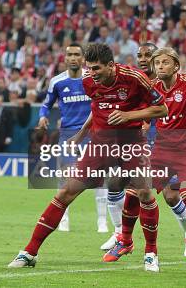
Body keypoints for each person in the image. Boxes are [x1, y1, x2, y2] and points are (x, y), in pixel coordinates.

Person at [8, 43, 168, 268]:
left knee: (143, 192)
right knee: (65, 192)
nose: (91, 74)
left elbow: (162, 109)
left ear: (111, 66)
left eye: (96, 69)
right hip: (100, 145)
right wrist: (80, 135)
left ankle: (151, 253)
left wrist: (127, 115)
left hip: (131, 142)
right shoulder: (89, 83)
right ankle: (29, 252)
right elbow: (97, 109)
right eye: (89, 69)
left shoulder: (134, 78)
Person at [104, 47, 186, 270]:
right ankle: (125, 240)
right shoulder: (152, 87)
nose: (159, 66)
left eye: (164, 63)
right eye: (157, 63)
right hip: (161, 150)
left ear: (175, 66)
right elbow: (140, 111)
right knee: (135, 191)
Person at [39, 45, 116, 236]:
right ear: (65, 58)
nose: (73, 58)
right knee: (66, 177)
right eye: (69, 54)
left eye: (76, 55)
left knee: (99, 178)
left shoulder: (92, 79)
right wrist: (42, 116)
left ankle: (101, 221)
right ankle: (64, 220)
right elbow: (46, 104)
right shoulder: (57, 81)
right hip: (68, 135)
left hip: (93, 133)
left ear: (83, 59)